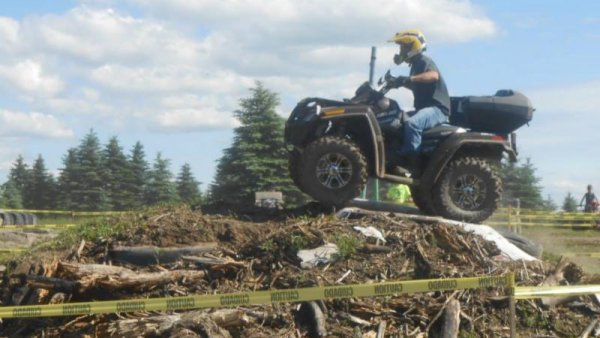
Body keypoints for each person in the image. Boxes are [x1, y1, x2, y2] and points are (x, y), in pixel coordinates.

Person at [388, 30, 450, 172]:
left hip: (438, 109)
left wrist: (410, 79)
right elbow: (415, 84)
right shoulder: (415, 65)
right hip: (424, 108)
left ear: (413, 47)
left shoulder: (424, 60)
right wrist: (399, 82)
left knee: (412, 123)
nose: (401, 51)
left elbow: (433, 76)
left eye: (404, 47)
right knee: (397, 120)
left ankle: (411, 162)